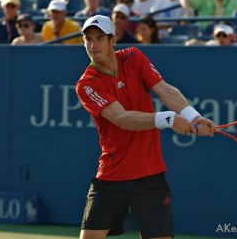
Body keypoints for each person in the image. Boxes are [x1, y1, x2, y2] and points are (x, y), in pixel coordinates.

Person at [76, 14, 215, 239]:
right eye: (88, 39)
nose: (93, 45)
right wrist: (168, 119)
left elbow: (165, 90)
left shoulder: (134, 57)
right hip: (112, 176)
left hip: (150, 174)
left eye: (99, 38)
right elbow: (121, 118)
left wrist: (193, 116)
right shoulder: (87, 84)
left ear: (112, 41)